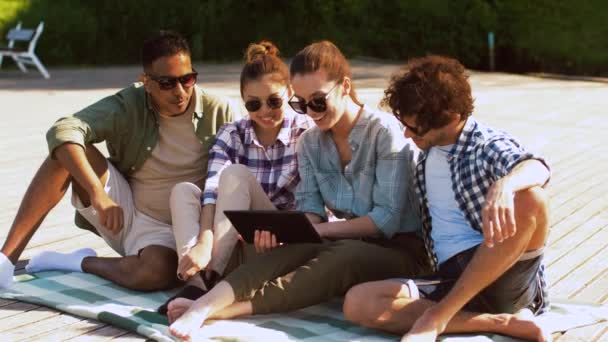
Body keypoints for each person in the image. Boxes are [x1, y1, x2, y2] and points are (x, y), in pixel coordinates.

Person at [166, 40, 430, 341]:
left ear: (344, 86)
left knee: (342, 254)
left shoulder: (384, 133)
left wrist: (322, 232)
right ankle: (204, 301)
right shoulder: (311, 143)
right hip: (350, 239)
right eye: (301, 104)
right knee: (294, 248)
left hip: (404, 250)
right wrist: (292, 233)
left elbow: (386, 220)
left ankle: (221, 312)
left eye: (318, 101)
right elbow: (313, 212)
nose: (310, 112)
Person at [0, 31, 240, 291]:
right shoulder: (129, 104)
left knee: (154, 273)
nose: (180, 91)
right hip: (126, 213)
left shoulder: (220, 109)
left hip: (187, 226)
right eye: (167, 83)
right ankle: (5, 261)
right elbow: (63, 130)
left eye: (187, 79)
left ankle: (84, 262)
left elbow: (239, 172)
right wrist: (98, 195)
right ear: (146, 82)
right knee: (64, 151)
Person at [342, 55, 551, 342]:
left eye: (414, 128)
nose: (405, 133)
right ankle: (499, 323)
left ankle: (436, 318)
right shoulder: (427, 154)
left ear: (451, 118)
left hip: (501, 270)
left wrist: (505, 185)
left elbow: (537, 166)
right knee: (358, 302)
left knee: (531, 198)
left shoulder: (485, 145)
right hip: (450, 277)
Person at [157, 41, 313, 313]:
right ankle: (198, 282)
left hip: (277, 247)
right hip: (231, 246)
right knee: (183, 191)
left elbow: (312, 205)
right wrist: (204, 242)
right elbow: (211, 191)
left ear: (289, 92)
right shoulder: (233, 132)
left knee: (236, 175)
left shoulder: (306, 133)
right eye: (254, 104)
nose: (264, 111)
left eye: (274, 101)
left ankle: (207, 279)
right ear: (243, 101)